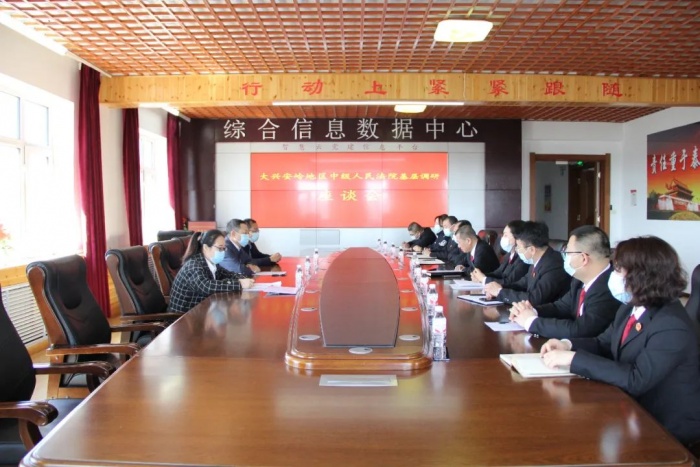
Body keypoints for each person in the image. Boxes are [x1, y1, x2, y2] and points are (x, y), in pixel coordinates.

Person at [540, 236, 700, 447]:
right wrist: (567, 345)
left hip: (665, 427)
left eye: (617, 269)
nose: (612, 275)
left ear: (641, 276)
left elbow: (636, 379)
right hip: (631, 408)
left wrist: (573, 359)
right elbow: (603, 343)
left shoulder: (671, 325)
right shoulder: (629, 307)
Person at [509, 225, 621, 338]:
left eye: (568, 253)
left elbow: (579, 330)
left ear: (583, 258)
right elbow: (560, 307)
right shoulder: (579, 281)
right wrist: (530, 311)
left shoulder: (608, 288)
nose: (565, 257)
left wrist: (531, 322)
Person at [168, 230, 254, 313]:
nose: (223, 252)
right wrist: (239, 284)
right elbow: (207, 287)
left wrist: (243, 278)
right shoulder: (194, 265)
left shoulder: (212, 263)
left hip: (201, 311)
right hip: (183, 316)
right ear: (206, 247)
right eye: (220, 248)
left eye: (224, 248)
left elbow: (227, 274)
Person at [484, 221, 569, 306]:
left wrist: (500, 292)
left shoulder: (554, 265)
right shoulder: (537, 259)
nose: (517, 250)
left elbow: (534, 299)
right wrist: (498, 288)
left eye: (518, 247)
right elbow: (521, 284)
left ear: (531, 250)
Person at [471, 220, 529, 288]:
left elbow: (510, 281)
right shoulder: (508, 255)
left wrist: (484, 279)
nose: (502, 238)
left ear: (517, 237)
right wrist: (480, 276)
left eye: (506, 235)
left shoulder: (523, 258)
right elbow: (498, 273)